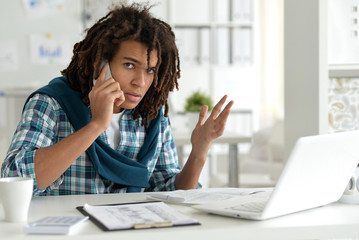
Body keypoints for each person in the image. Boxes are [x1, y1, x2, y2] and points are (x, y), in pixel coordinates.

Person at [1, 3, 233, 195]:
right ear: (101, 63)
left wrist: (200, 151)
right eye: (129, 65)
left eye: (150, 70)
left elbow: (169, 191)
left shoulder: (152, 115)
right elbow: (13, 179)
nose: (140, 82)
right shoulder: (50, 103)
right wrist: (95, 126)